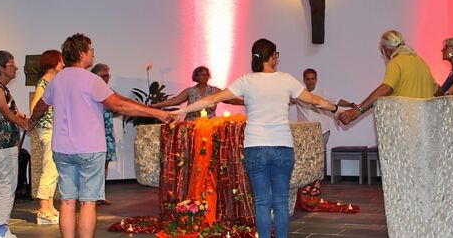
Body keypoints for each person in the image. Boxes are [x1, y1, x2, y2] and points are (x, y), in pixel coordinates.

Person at [174, 38, 337, 238]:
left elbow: (211, 99)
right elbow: (314, 100)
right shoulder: (286, 79)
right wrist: (336, 109)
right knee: (280, 201)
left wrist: (182, 111)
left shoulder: (246, 80)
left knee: (261, 201)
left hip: (255, 147)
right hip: (282, 148)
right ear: (273, 57)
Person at [31, 33, 175, 238]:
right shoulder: (91, 80)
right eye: (91, 51)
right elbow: (119, 105)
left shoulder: (56, 80)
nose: (93, 55)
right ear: (81, 54)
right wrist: (156, 113)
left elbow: (39, 107)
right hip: (89, 149)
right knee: (88, 202)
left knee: (67, 201)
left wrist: (30, 122)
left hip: (62, 149)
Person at [337, 30, 437, 125]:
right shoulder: (420, 62)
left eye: (382, 51)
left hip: (404, 125)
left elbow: (386, 89)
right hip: (424, 126)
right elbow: (437, 90)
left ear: (386, 49)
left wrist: (357, 111)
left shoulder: (396, 62)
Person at [0, 51, 32, 238]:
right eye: (12, 64)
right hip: (2, 144)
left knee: (4, 185)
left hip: (2, 143)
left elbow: (13, 112)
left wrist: (27, 119)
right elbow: (5, 111)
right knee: (7, 186)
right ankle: (0, 230)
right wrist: (23, 123)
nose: (16, 67)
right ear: (1, 67)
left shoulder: (1, 88)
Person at [293, 68, 355, 196]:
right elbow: (285, 100)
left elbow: (337, 101)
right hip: (305, 133)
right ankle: (308, 183)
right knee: (307, 158)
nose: (310, 81)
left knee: (318, 157)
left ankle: (316, 183)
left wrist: (352, 104)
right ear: (304, 80)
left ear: (316, 79)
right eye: (308, 79)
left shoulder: (322, 92)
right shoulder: (299, 94)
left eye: (313, 79)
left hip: (322, 131)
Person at [29, 50, 64, 224]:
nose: (63, 65)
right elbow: (35, 105)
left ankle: (49, 206)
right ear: (55, 63)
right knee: (49, 168)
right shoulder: (45, 82)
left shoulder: (52, 82)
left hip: (54, 130)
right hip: (48, 129)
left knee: (54, 169)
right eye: (61, 61)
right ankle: (43, 209)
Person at [151, 65, 242, 120]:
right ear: (196, 77)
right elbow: (175, 101)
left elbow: (231, 100)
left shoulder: (215, 90)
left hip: (210, 126)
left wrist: (245, 102)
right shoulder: (190, 91)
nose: (205, 76)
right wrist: (155, 106)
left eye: (206, 74)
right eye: (202, 74)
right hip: (192, 126)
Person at [90, 63, 115, 205]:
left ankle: (100, 195)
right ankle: (91, 195)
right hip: (95, 131)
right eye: (104, 75)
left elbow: (116, 107)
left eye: (108, 76)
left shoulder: (109, 91)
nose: (106, 78)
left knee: (105, 162)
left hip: (107, 130)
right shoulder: (90, 89)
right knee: (94, 163)